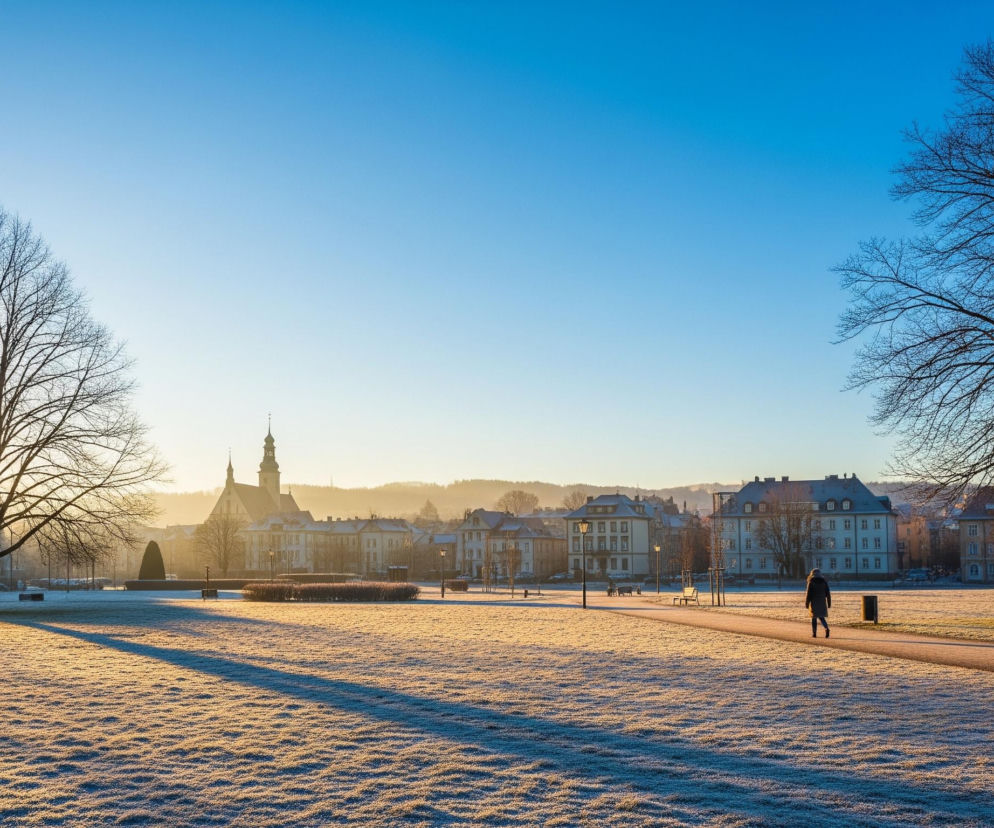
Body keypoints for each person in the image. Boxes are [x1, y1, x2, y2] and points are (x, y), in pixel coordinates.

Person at [804, 568, 831, 638]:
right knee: (821, 617)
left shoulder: (811, 582)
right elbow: (828, 593)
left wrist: (807, 603)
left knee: (814, 618)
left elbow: (808, 594)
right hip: (822, 602)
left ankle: (814, 633)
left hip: (814, 602)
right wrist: (829, 603)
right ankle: (826, 628)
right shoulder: (824, 582)